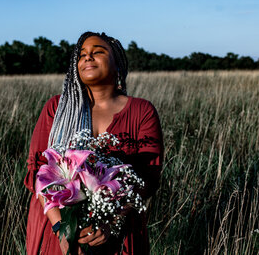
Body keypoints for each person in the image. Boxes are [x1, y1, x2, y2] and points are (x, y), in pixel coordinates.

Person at [24, 32, 163, 255]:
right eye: (81, 55)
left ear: (117, 63)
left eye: (98, 51)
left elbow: (148, 178)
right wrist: (62, 229)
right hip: (55, 227)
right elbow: (37, 172)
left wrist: (111, 222)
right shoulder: (57, 108)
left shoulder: (142, 111)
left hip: (119, 230)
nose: (88, 57)